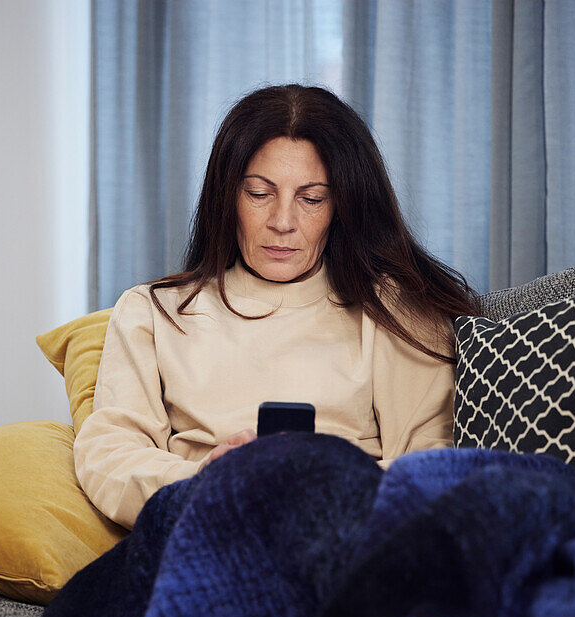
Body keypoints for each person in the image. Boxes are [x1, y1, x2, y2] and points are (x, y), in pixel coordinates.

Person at [74, 84, 481, 528]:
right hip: (206, 525)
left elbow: (432, 462)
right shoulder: (153, 312)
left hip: (344, 535)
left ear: (341, 207)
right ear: (227, 198)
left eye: (311, 199)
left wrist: (325, 489)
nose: (283, 222)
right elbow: (108, 454)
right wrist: (202, 481)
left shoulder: (391, 311)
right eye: (259, 193)